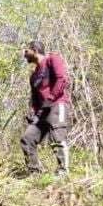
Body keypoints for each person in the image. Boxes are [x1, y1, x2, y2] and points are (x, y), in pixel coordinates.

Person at [20, 41, 72, 175]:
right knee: (28, 139)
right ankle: (35, 173)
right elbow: (35, 98)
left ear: (34, 50)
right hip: (42, 112)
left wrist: (50, 99)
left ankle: (63, 173)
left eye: (26, 51)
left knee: (57, 138)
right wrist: (34, 113)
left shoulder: (52, 59)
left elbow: (61, 79)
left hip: (57, 104)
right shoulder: (33, 76)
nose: (24, 55)